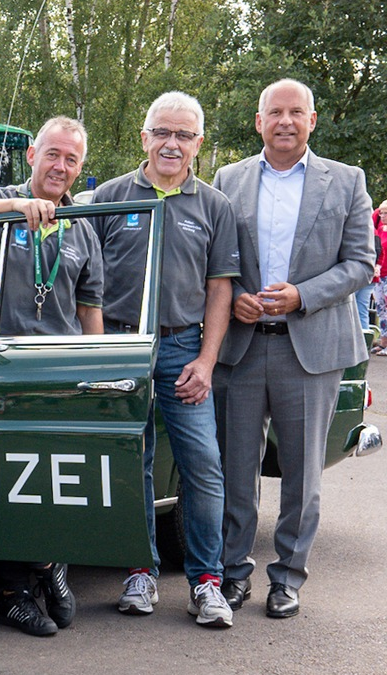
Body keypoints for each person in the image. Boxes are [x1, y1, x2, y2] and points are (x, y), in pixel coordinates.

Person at [212, 78, 375, 619]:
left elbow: (360, 264)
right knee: (236, 470)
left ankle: (287, 578)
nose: (285, 121)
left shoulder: (348, 182)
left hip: (310, 349)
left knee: (302, 476)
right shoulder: (227, 180)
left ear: (312, 120)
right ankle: (233, 574)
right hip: (239, 346)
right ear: (258, 122)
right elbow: (212, 260)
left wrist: (303, 295)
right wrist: (234, 296)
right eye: (274, 112)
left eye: (295, 112)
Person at [0, 116, 101, 636]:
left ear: (80, 167)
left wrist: (99, 374)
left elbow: (90, 308)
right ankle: (14, 595)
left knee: (60, 480)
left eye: (71, 159)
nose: (61, 166)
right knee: (11, 485)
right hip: (1, 368)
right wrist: (13, 208)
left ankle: (52, 564)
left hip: (59, 374)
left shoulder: (85, 226)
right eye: (53, 154)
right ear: (32, 155)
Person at [92, 92, 239, 628]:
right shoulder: (108, 197)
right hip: (118, 348)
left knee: (203, 466)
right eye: (162, 133)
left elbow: (220, 289)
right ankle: (139, 571)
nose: (171, 144)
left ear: (198, 143)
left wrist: (206, 360)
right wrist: (98, 353)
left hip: (183, 351)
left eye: (183, 135)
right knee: (133, 462)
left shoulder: (214, 206)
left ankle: (206, 582)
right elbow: (85, 285)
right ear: (144, 137)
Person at [371, 201, 387, 354]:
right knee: (381, 309)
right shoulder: (380, 229)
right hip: (381, 275)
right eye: (381, 213)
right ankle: (383, 342)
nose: (382, 215)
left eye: (386, 213)